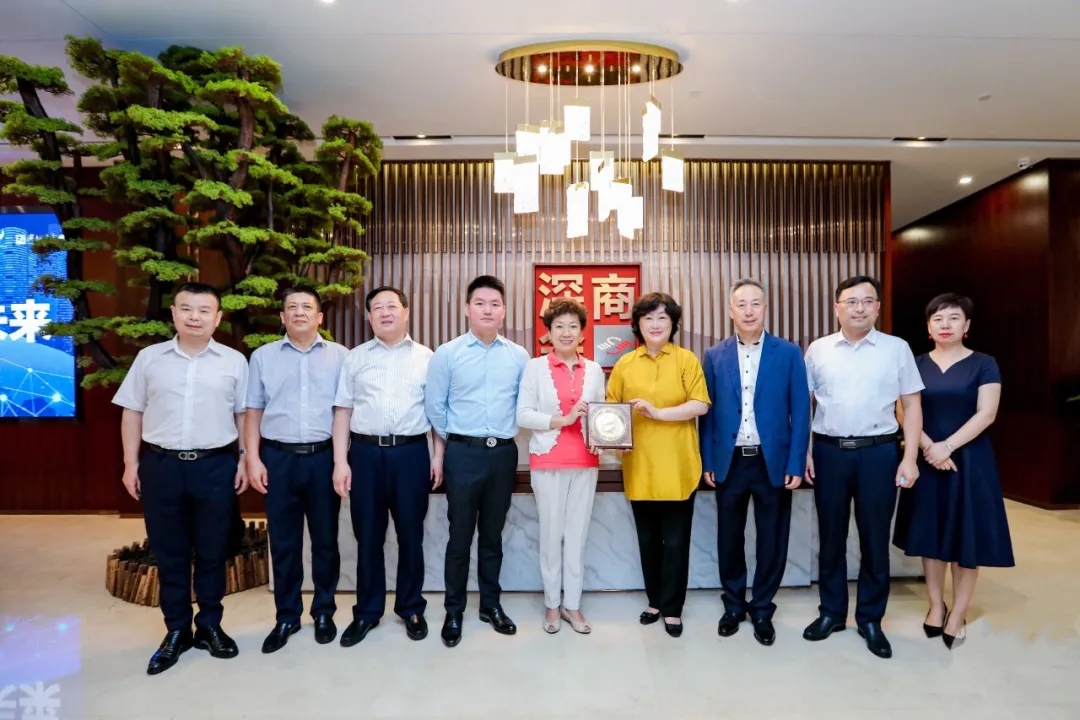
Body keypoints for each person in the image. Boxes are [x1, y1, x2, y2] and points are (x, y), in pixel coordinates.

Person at [112, 282, 249, 675]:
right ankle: (176, 630)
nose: (195, 317)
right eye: (186, 309)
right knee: (169, 553)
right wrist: (130, 463)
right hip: (162, 466)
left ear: (217, 318)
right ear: (173, 313)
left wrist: (244, 459)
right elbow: (132, 411)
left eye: (204, 311)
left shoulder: (234, 361)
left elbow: (244, 414)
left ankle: (209, 626)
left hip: (215, 465)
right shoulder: (149, 358)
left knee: (212, 550)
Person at [803, 275, 924, 659]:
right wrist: (805, 452)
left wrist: (910, 457)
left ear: (877, 307)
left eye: (867, 301)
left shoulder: (897, 349)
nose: (859, 308)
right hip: (829, 452)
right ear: (837, 307)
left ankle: (871, 619)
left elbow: (913, 405)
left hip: (879, 453)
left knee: (874, 540)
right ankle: (831, 613)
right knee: (831, 538)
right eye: (851, 301)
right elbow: (805, 404)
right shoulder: (818, 349)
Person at [893, 293, 1013, 650]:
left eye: (954, 318)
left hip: (969, 461)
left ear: (967, 325)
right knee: (929, 535)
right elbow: (902, 410)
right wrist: (929, 447)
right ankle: (936, 604)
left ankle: (958, 612)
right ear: (928, 327)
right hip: (926, 458)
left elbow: (986, 413)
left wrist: (947, 446)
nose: (945, 325)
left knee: (966, 537)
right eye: (938, 319)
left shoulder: (984, 364)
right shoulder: (915, 364)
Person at [700, 279, 810, 646]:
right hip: (730, 460)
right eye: (742, 304)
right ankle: (733, 605)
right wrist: (708, 459)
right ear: (730, 311)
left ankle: (762, 607)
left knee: (772, 538)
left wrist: (796, 462)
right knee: (729, 538)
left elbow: (800, 411)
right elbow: (708, 414)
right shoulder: (714, 355)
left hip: (772, 461)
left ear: (765, 308)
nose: (749, 311)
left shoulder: (789, 353)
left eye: (755, 304)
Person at [331, 286, 442, 645]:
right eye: (377, 307)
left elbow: (437, 413)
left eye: (391, 306)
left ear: (406, 312)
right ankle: (367, 611)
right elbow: (343, 411)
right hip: (364, 455)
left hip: (411, 454)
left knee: (411, 534)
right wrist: (340, 462)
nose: (385, 312)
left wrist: (438, 455)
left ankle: (411, 607)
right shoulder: (356, 358)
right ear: (369, 317)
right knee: (368, 536)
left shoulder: (427, 358)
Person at [424, 275, 529, 648]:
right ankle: (453, 610)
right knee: (459, 536)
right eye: (480, 303)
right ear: (467, 308)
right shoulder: (448, 353)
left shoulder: (518, 356)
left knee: (493, 535)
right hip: (463, 454)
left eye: (494, 304)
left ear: (504, 311)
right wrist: (456, 441)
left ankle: (490, 605)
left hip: (503, 454)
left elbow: (524, 405)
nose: (487, 310)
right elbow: (435, 407)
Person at [244, 287, 347, 653]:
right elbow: (253, 409)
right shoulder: (263, 357)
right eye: (292, 307)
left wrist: (341, 461)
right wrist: (252, 457)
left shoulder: (341, 357)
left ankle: (324, 612)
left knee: (325, 541)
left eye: (307, 307)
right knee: (284, 542)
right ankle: (286, 616)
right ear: (282, 317)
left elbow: (345, 412)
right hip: (278, 458)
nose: (299, 312)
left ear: (320, 317)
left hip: (323, 458)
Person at [606, 292, 710, 638]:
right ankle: (655, 601)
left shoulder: (686, 360)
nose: (654, 324)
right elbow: (611, 410)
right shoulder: (625, 364)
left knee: (676, 544)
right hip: (640, 467)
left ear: (673, 324)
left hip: (679, 467)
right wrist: (604, 435)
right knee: (648, 542)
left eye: (662, 318)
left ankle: (673, 608)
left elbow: (700, 404)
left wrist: (659, 413)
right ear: (637, 324)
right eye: (648, 318)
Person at [516, 298, 606, 635]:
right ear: (549, 333)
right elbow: (522, 415)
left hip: (585, 461)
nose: (566, 332)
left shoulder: (594, 370)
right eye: (559, 326)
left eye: (573, 326)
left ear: (582, 333)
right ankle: (552, 604)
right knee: (551, 536)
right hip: (547, 460)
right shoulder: (535, 368)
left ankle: (573, 604)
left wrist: (602, 437)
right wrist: (562, 420)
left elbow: (602, 414)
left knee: (577, 536)